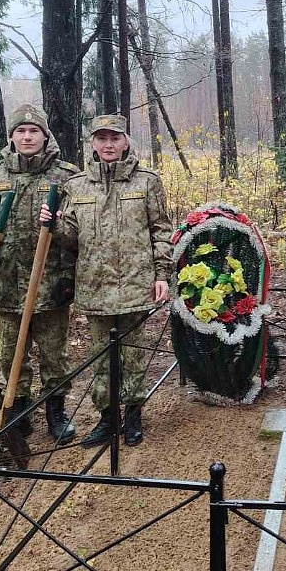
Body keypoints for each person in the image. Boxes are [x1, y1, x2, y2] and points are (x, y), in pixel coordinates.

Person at [41, 113, 172, 447]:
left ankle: (134, 415)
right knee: (101, 357)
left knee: (133, 355)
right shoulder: (77, 185)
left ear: (126, 142)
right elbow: (71, 237)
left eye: (115, 138)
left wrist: (162, 275)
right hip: (95, 286)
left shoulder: (146, 182)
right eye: (102, 138)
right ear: (93, 144)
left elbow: (161, 230)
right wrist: (54, 224)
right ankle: (107, 418)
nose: (108, 144)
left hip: (135, 284)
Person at [0, 104, 80, 442]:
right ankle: (18, 410)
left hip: (51, 284)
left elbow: (78, 226)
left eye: (34, 131)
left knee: (54, 355)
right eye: (21, 131)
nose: (27, 137)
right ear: (11, 136)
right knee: (11, 355)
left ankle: (56, 410)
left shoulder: (66, 176)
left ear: (45, 136)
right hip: (5, 283)